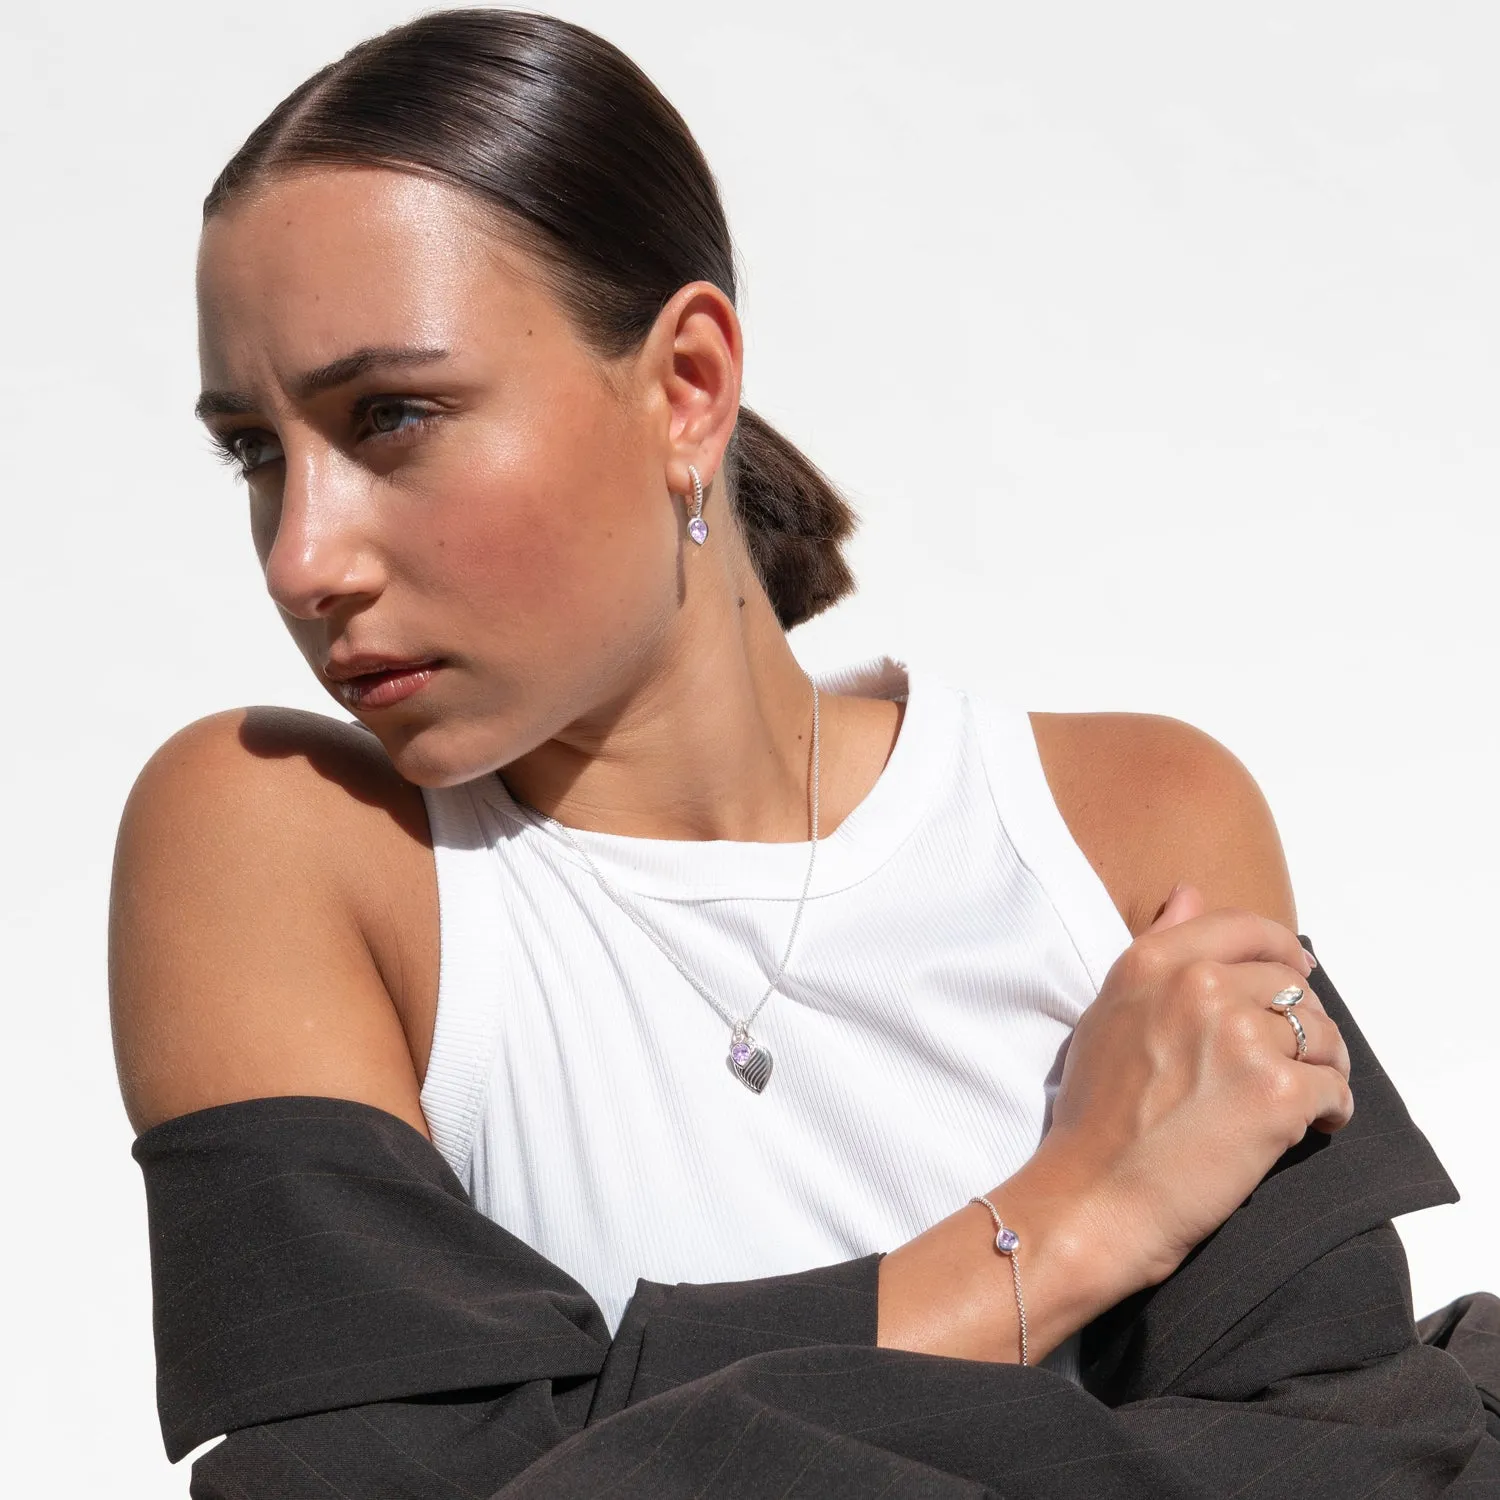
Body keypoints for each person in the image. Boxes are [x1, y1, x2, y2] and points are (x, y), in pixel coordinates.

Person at [109, 9, 1498, 1495]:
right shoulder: (287, 844)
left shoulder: (1124, 823)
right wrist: (1082, 1214)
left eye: (391, 416)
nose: (302, 557)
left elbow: (1348, 1463)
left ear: (687, 385)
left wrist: (620, 1436)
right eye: (255, 450)